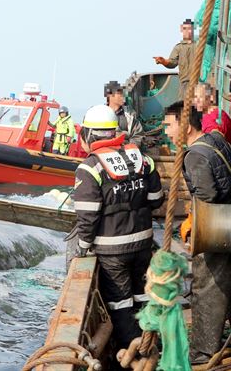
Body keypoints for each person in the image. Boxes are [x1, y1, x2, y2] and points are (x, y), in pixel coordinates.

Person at [72, 104, 164, 350]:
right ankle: (153, 343)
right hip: (143, 243)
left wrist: (82, 246)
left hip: (112, 251)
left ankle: (134, 353)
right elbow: (156, 199)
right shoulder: (142, 159)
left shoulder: (90, 167)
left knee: (121, 304)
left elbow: (88, 216)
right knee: (142, 296)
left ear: (89, 134)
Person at [163, 102, 231, 365]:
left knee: (207, 286)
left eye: (170, 125)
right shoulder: (216, 140)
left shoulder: (194, 155)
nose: (167, 132)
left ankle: (202, 352)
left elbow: (207, 196)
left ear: (186, 125)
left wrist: (192, 223)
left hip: (219, 228)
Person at [154, 19, 196, 95]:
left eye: (190, 29)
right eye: (185, 29)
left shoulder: (200, 45)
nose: (187, 31)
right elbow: (172, 63)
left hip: (199, 83)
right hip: (184, 83)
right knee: (185, 104)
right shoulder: (178, 47)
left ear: (193, 30)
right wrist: (163, 61)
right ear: (181, 29)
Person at [104, 81, 144, 147]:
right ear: (109, 95)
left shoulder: (130, 115)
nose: (123, 96)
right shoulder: (100, 114)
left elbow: (138, 136)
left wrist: (127, 148)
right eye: (119, 93)